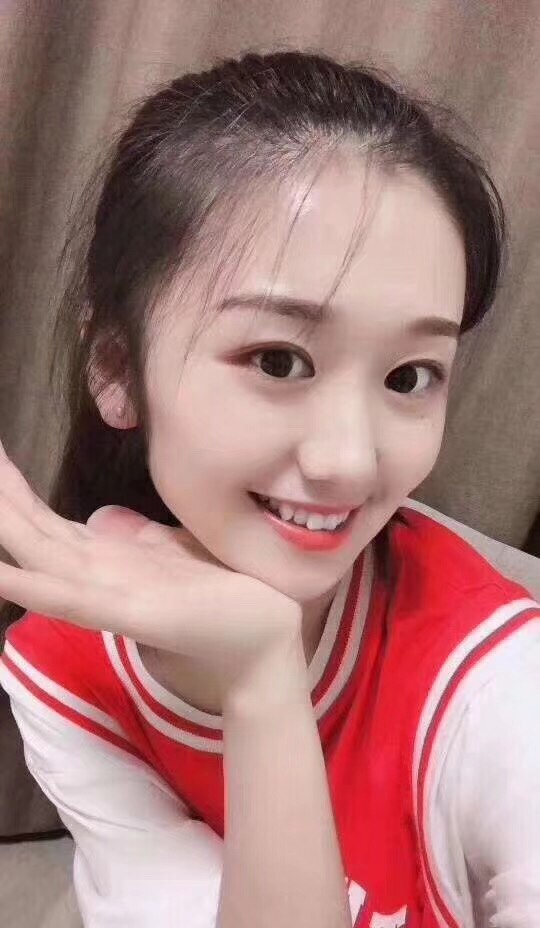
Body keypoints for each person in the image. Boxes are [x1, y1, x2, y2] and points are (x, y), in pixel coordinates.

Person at [0, 48, 538, 928]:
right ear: (118, 368)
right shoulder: (64, 674)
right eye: (278, 360)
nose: (350, 461)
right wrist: (263, 680)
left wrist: (260, 673)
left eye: (409, 376)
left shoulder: (498, 676)